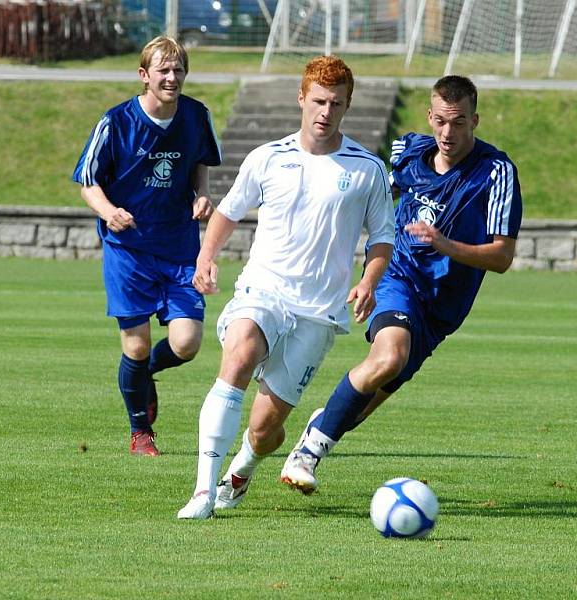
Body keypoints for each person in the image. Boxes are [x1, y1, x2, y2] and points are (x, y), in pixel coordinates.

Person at [280, 75, 524, 494]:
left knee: (357, 408)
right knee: (389, 357)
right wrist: (365, 272)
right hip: (399, 278)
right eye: (442, 121)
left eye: (460, 122)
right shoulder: (407, 153)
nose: (449, 132)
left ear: (475, 120)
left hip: (442, 309)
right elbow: (369, 200)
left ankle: (320, 427)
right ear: (430, 116)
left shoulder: (495, 172)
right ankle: (307, 455)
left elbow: (501, 256)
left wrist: (446, 245)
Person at [176, 55, 395, 519]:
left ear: (347, 105)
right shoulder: (267, 157)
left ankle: (243, 467)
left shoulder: (366, 169)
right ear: (301, 98)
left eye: (336, 103)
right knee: (238, 353)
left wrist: (368, 282)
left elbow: (382, 239)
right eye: (318, 100)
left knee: (264, 430)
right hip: (264, 290)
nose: (325, 112)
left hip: (318, 312)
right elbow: (229, 211)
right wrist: (205, 257)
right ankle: (201, 493)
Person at [72, 35, 221, 456]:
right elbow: (88, 181)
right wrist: (108, 212)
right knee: (134, 344)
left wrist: (202, 195)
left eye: (178, 70)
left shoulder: (196, 116)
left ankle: (144, 375)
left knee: (187, 344)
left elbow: (200, 165)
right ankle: (141, 434)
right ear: (144, 75)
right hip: (129, 250)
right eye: (163, 70)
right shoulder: (116, 122)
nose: (172, 78)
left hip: (178, 247)